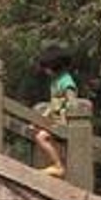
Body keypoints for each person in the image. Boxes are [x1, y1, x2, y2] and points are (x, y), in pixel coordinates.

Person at [31, 48, 76, 177]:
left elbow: (72, 103)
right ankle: (55, 164)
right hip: (55, 119)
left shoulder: (66, 82)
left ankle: (58, 166)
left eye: (46, 68)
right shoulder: (55, 82)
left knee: (41, 137)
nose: (45, 71)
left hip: (64, 121)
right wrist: (41, 118)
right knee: (36, 129)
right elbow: (53, 104)